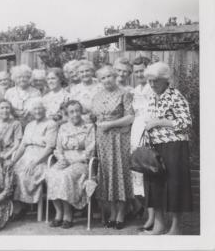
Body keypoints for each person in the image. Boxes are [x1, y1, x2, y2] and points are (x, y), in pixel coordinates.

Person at [142, 62, 193, 235]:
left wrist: (158, 122)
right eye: (149, 81)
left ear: (166, 80)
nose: (152, 84)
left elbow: (186, 123)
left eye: (156, 81)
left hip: (174, 146)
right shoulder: (151, 96)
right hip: (154, 146)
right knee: (154, 185)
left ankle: (176, 228)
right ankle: (159, 225)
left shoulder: (175, 96)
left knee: (175, 185)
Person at [91, 65, 135, 230]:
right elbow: (94, 117)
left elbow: (131, 117)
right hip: (103, 138)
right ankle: (112, 212)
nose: (107, 80)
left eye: (109, 76)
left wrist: (110, 124)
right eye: (103, 78)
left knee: (120, 173)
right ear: (100, 80)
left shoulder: (125, 93)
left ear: (115, 76)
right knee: (107, 174)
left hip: (119, 138)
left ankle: (122, 213)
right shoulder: (97, 96)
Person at [46, 100, 95, 229]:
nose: (75, 114)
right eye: (71, 112)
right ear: (67, 114)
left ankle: (68, 214)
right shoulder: (63, 127)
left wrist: (75, 160)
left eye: (77, 111)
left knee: (65, 176)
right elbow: (58, 148)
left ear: (81, 111)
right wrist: (61, 158)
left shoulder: (89, 127)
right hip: (65, 160)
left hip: (82, 162)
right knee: (51, 173)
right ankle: (59, 212)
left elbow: (91, 149)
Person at [9, 98, 58, 216]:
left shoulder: (51, 124)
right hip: (26, 156)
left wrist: (35, 163)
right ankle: (16, 205)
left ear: (45, 109)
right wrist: (13, 161)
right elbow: (22, 146)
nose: (37, 111)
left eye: (40, 108)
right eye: (35, 109)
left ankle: (20, 208)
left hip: (42, 158)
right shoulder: (29, 125)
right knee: (10, 172)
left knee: (25, 174)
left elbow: (50, 148)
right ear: (31, 111)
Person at [130, 56, 155, 230]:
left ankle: (152, 217)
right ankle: (145, 211)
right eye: (136, 71)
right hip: (135, 131)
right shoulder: (135, 89)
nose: (139, 74)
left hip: (148, 130)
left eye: (142, 70)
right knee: (137, 172)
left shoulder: (152, 88)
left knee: (148, 172)